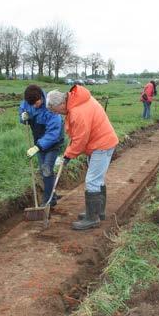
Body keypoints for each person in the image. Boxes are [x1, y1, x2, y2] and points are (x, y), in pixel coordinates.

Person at [46, 85, 119, 230]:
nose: (58, 114)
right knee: (97, 180)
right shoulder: (76, 101)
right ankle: (98, 212)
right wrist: (68, 152)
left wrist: (67, 156)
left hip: (101, 144)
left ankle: (92, 218)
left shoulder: (77, 111)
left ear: (61, 104)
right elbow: (76, 136)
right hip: (100, 142)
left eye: (56, 111)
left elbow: (80, 140)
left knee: (92, 180)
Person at [19, 84, 64, 207]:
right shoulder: (29, 102)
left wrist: (38, 146)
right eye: (31, 104)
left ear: (41, 97)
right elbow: (23, 110)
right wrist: (23, 117)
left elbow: (53, 133)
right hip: (38, 141)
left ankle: (46, 202)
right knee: (44, 170)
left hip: (54, 142)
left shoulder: (51, 107)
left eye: (36, 103)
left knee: (46, 170)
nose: (33, 106)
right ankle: (52, 197)